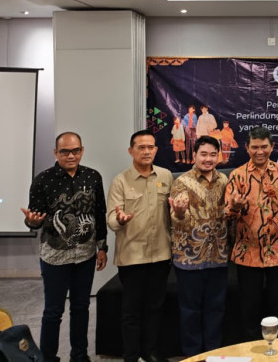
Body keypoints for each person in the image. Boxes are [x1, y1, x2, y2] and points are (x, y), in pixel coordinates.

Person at [21, 131, 108, 362]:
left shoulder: (93, 177)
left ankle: (79, 356)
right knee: (53, 312)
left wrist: (102, 247)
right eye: (65, 152)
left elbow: (99, 213)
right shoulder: (42, 180)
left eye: (75, 151)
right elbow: (34, 218)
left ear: (82, 150)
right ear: (55, 153)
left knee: (81, 308)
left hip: (85, 255)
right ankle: (48, 358)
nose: (71, 156)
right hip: (55, 257)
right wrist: (32, 221)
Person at [224, 126, 278, 341]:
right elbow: (226, 215)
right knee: (249, 309)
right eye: (255, 147)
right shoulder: (237, 175)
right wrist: (235, 207)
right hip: (248, 253)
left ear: (272, 147)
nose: (260, 151)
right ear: (247, 148)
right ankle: (251, 350)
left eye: (264, 147)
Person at [107, 130, 173, 362]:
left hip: (161, 255)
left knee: (155, 308)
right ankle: (131, 356)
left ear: (156, 150)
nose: (146, 151)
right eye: (141, 147)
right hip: (132, 257)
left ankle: (151, 353)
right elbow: (111, 219)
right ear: (131, 151)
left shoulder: (166, 176)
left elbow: (173, 213)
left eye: (150, 147)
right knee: (131, 311)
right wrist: (120, 219)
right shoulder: (120, 181)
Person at [169, 135, 229, 356]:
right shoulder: (182, 182)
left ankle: (213, 355)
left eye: (213, 154)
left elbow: (229, 212)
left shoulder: (224, 180)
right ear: (194, 155)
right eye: (203, 154)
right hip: (189, 259)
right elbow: (176, 218)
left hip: (218, 257)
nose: (208, 159)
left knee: (216, 310)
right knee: (190, 312)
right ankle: (193, 356)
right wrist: (179, 212)